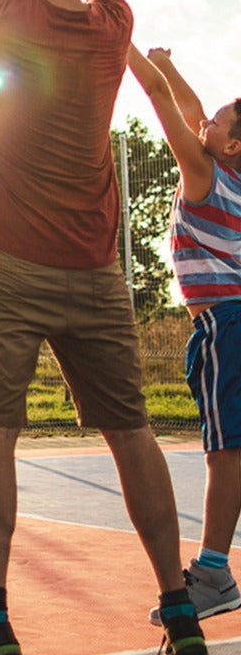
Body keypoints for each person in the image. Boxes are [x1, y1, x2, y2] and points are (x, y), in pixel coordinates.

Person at [0, 0, 207, 655]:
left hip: (9, 267)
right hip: (96, 273)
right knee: (131, 433)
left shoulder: (2, 8)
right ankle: (179, 607)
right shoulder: (113, 27)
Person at [127, 44, 241, 627]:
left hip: (226, 324)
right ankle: (217, 567)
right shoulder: (232, 176)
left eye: (216, 123)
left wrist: (119, 40)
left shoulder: (205, 176)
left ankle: (215, 571)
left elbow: (165, 103)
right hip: (233, 321)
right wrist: (171, 66)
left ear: (231, 146)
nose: (204, 124)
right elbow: (193, 110)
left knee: (227, 451)